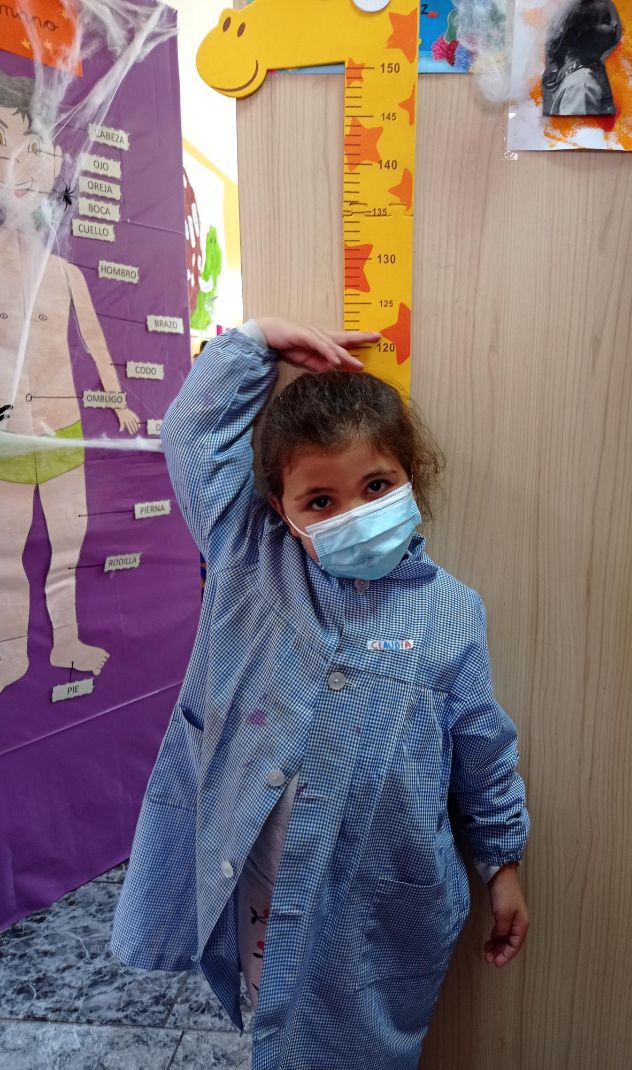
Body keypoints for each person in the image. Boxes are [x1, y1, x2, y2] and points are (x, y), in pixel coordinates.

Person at [111, 316, 531, 1069]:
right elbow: (189, 436)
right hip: (259, 875)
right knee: (274, 1017)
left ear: (411, 476)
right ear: (282, 509)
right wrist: (254, 342)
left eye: (376, 486)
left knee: (351, 1037)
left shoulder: (452, 612)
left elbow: (483, 751)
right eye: (321, 501)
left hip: (369, 897)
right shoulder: (248, 559)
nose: (355, 515)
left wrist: (502, 863)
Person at [0, 72, 140, 693]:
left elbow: (96, 342)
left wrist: (122, 403)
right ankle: (11, 653)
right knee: (7, 553)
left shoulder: (65, 274)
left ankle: (65, 641)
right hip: (10, 431)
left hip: (63, 427)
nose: (20, 165)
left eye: (34, 147)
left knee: (67, 544)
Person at [541, 0, 622, 117]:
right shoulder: (583, 84)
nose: (615, 23)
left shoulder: (580, 77)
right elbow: (582, 124)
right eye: (605, 20)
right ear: (582, 35)